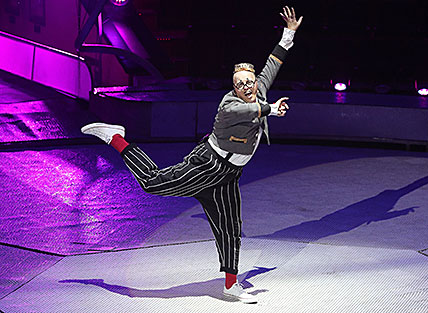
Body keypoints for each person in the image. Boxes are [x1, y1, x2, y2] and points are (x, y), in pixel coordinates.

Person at [81, 6, 303, 304]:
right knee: (152, 182)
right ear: (234, 88)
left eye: (249, 82)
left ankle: (230, 284)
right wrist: (271, 109)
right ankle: (116, 137)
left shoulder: (259, 90)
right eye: (240, 84)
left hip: (229, 175)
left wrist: (289, 34)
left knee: (230, 228)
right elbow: (247, 110)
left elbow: (273, 63)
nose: (247, 87)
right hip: (207, 165)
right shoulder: (230, 105)